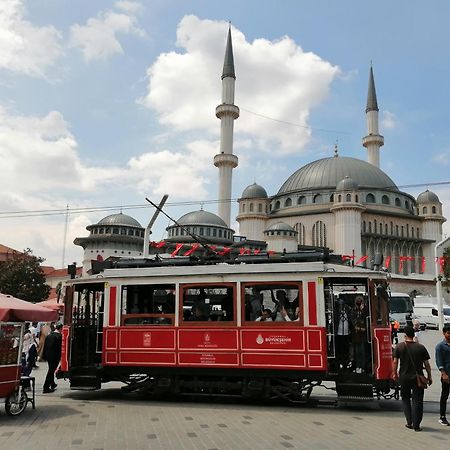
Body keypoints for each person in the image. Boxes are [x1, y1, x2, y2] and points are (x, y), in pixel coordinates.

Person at [392, 325, 432, 431]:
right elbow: (427, 364)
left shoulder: (399, 347)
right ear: (413, 335)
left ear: (405, 335)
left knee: (405, 399)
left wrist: (394, 373)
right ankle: (417, 425)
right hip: (418, 378)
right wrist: (429, 376)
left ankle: (409, 422)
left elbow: (395, 361)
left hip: (404, 377)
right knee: (417, 400)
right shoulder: (420, 347)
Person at [435, 323, 450, 426]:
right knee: (445, 395)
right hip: (447, 374)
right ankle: (442, 416)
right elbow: (439, 361)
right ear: (444, 333)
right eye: (448, 333)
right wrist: (443, 373)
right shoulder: (440, 346)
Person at [42, 323, 63, 393]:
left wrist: (44, 355)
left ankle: (52, 383)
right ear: (60, 329)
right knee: (51, 371)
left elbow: (45, 347)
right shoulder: (59, 336)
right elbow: (60, 348)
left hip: (48, 356)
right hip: (55, 356)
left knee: (51, 369)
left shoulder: (49, 336)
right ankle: (46, 387)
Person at [334, 298, 353, 369]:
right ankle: (338, 364)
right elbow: (335, 319)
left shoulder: (348, 310)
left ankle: (345, 364)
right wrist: (339, 310)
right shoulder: (336, 311)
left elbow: (350, 319)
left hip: (346, 333)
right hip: (338, 333)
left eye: (342, 304)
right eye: (340, 304)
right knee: (339, 349)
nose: (341, 305)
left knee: (346, 350)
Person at [352, 295, 368, 372]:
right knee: (357, 352)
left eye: (360, 301)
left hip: (363, 335)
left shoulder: (365, 310)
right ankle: (357, 366)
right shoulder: (354, 310)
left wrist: (362, 311)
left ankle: (363, 367)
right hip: (356, 334)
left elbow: (366, 319)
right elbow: (353, 320)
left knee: (362, 352)